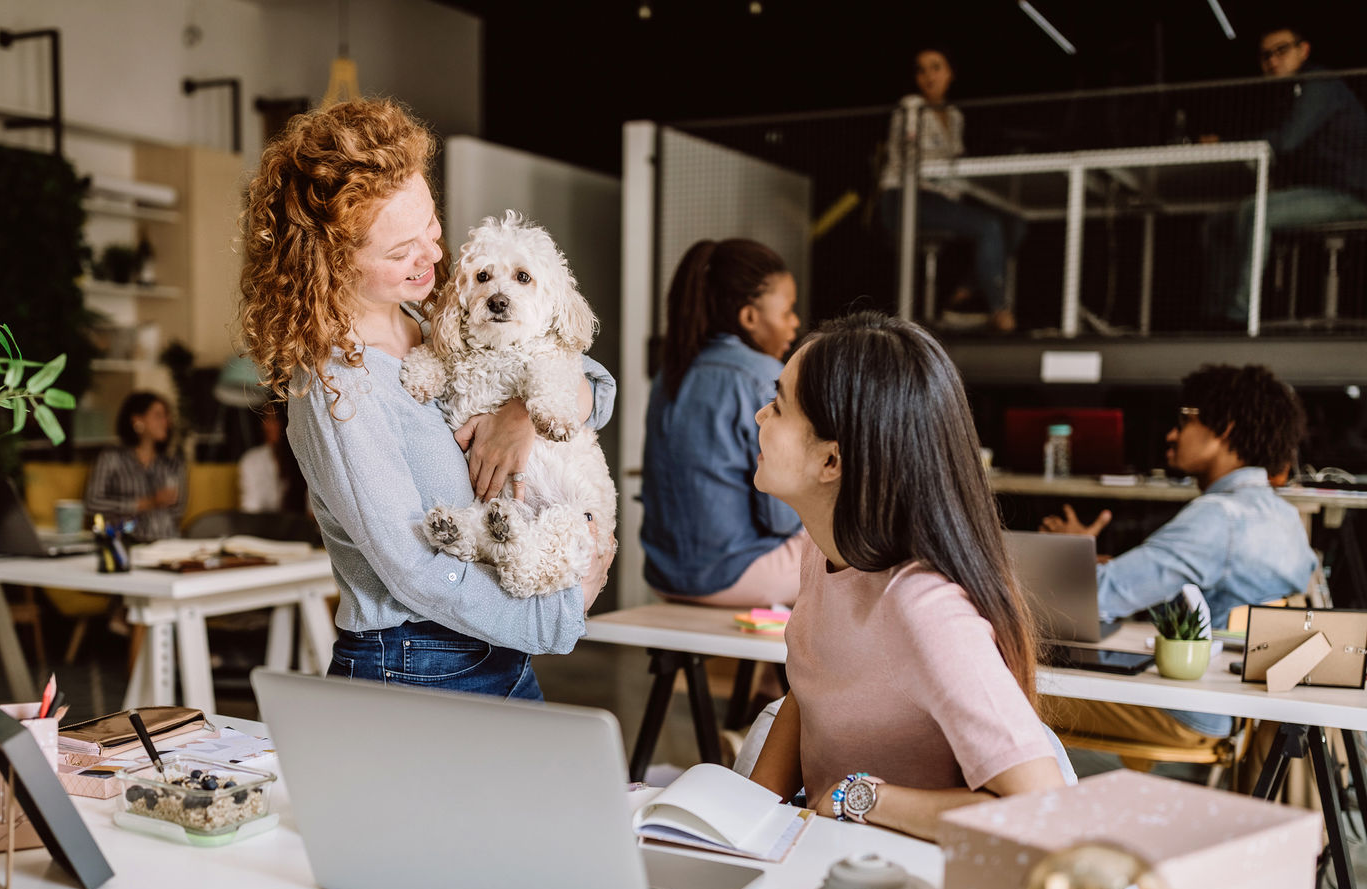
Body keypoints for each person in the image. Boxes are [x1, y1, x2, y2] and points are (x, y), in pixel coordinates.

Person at [238, 98, 615, 699]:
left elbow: (587, 383)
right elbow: (414, 570)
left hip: (491, 646)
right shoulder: (337, 388)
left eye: (432, 228)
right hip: (415, 661)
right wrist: (556, 614)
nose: (434, 256)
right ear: (331, 263)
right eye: (401, 251)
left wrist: (521, 416)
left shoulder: (427, 317)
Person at [747, 312, 1066, 842]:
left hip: (911, 880)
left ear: (832, 460)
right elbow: (809, 689)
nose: (761, 416)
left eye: (778, 406)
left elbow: (1043, 808)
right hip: (832, 856)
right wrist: (739, 821)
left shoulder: (926, 608)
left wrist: (862, 798)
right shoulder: (823, 550)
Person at [1040, 363, 1314, 743]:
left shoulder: (1218, 518)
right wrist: (1092, 561)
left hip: (1181, 709)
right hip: (1242, 710)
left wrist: (1063, 555)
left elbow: (1099, 597)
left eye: (1184, 422)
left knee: (1007, 690)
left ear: (1225, 429)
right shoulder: (1284, 517)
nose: (1171, 435)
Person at [640, 239, 809, 607]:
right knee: (855, 554)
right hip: (735, 575)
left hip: (664, 575)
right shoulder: (765, 377)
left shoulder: (669, 373)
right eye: (787, 312)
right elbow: (780, 519)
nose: (795, 324)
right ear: (749, 317)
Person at [1202, 24, 1367, 326]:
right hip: (1322, 192)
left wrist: (1226, 143)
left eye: (1281, 50)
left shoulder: (1318, 83)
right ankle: (1214, 314)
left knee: (1256, 211)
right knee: (1218, 222)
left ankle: (1239, 317)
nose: (1273, 60)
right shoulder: (1287, 96)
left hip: (1353, 193)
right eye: (1265, 55)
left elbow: (1287, 141)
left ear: (1303, 50)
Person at [878, 47, 1025, 333]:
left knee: (1014, 223)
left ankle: (965, 293)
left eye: (935, 67)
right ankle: (999, 309)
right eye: (921, 69)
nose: (928, 75)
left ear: (950, 73)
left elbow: (955, 164)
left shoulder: (955, 116)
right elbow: (912, 158)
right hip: (904, 199)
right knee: (989, 226)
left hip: (940, 197)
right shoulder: (911, 106)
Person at [82, 391, 185, 542]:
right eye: (158, 416)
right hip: (125, 542)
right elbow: (92, 503)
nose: (166, 422)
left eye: (166, 416)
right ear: (138, 420)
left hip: (167, 542)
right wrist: (145, 503)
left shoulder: (172, 463)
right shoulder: (111, 458)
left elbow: (178, 510)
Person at [239, 408, 308, 515]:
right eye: (266, 419)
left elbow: (313, 514)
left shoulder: (304, 460)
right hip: (264, 527)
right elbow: (251, 509)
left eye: (274, 420)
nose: (266, 426)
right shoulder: (252, 460)